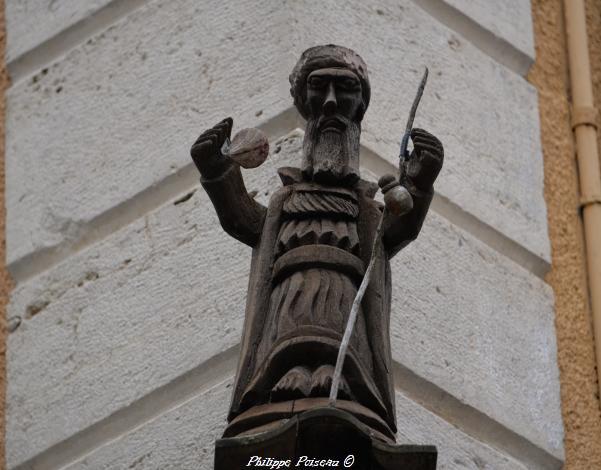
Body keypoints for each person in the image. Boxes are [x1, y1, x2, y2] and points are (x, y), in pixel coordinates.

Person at [190, 44, 443, 440]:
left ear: (359, 104)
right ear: (304, 102)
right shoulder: (283, 201)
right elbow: (242, 219)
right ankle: (288, 377)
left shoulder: (366, 206)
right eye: (318, 88)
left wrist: (420, 183)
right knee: (285, 353)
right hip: (284, 307)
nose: (329, 102)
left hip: (347, 311)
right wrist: (219, 172)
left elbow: (398, 230)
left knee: (342, 363)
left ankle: (338, 379)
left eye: (343, 89)